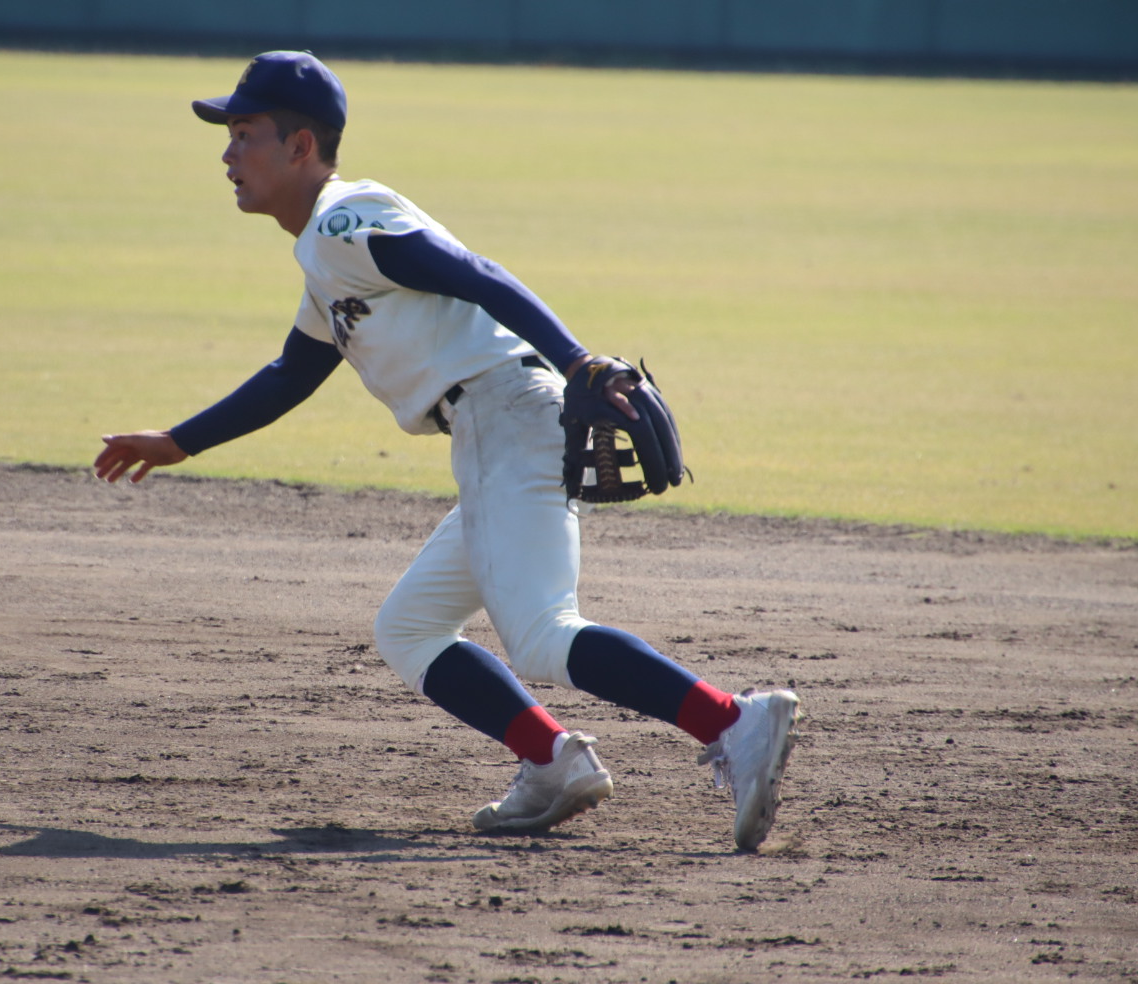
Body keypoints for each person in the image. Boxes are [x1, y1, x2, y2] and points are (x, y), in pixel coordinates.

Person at [93, 51, 799, 851]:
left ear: (299, 148)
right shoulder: (325, 258)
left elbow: (473, 272)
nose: (227, 154)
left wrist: (576, 360)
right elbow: (292, 372)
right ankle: (552, 761)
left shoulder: (343, 219)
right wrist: (180, 441)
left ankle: (735, 719)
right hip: (488, 429)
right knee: (410, 627)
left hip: (506, 412)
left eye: (244, 133)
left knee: (539, 632)